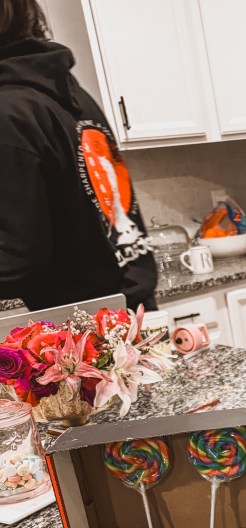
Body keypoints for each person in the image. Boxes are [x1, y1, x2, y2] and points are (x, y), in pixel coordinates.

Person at [0, 0, 157, 312]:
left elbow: (17, 260)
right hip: (132, 312)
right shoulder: (70, 92)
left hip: (85, 329)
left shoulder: (9, 111)